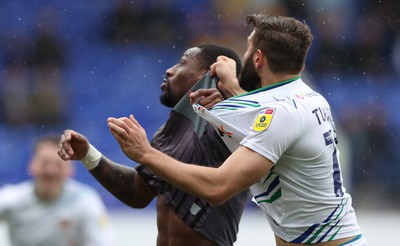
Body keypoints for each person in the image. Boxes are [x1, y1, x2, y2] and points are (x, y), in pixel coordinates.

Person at [102, 14, 368, 245]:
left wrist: (145, 153)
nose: (244, 55)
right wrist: (233, 96)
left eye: (249, 48)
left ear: (258, 58)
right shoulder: (308, 98)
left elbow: (218, 187)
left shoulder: (281, 114)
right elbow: (267, 118)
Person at [58, 44, 251, 246]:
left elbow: (254, 129)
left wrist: (230, 92)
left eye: (182, 63)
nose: (170, 70)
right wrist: (87, 154)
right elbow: (137, 193)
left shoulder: (226, 122)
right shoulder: (168, 132)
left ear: (204, 75)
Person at [0, 135, 113, 246]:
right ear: (32, 165)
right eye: (45, 163)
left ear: (70, 170)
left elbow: (101, 242)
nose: (51, 171)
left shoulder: (85, 201)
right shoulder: (12, 198)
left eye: (58, 165)